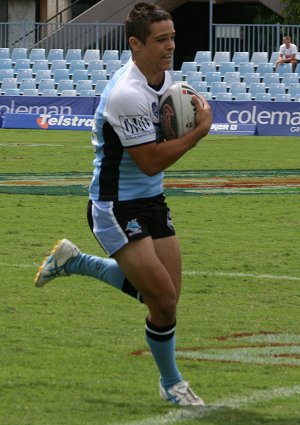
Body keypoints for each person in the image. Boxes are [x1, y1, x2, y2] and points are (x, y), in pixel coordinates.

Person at [34, 2, 212, 406]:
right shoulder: (127, 93)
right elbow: (149, 161)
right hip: (114, 207)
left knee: (166, 299)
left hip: (152, 200)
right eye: (161, 39)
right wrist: (199, 131)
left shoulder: (165, 81)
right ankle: (172, 384)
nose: (170, 46)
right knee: (162, 301)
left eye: (172, 37)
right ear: (135, 43)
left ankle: (75, 262)